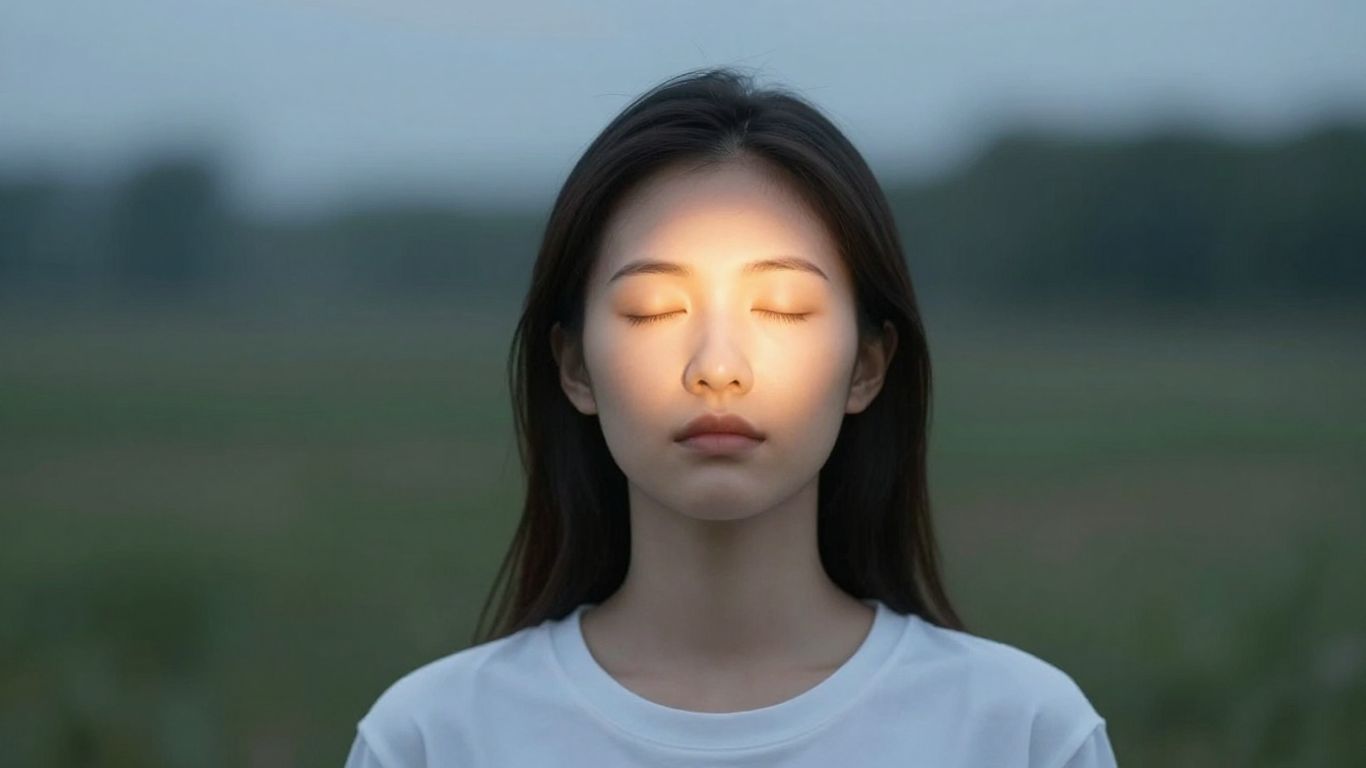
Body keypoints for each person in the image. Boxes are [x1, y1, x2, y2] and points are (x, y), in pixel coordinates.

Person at [343, 66, 1118, 767]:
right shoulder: (437, 738)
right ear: (575, 365)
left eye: (782, 307)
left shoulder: (1019, 733)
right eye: (654, 308)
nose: (717, 365)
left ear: (868, 366)